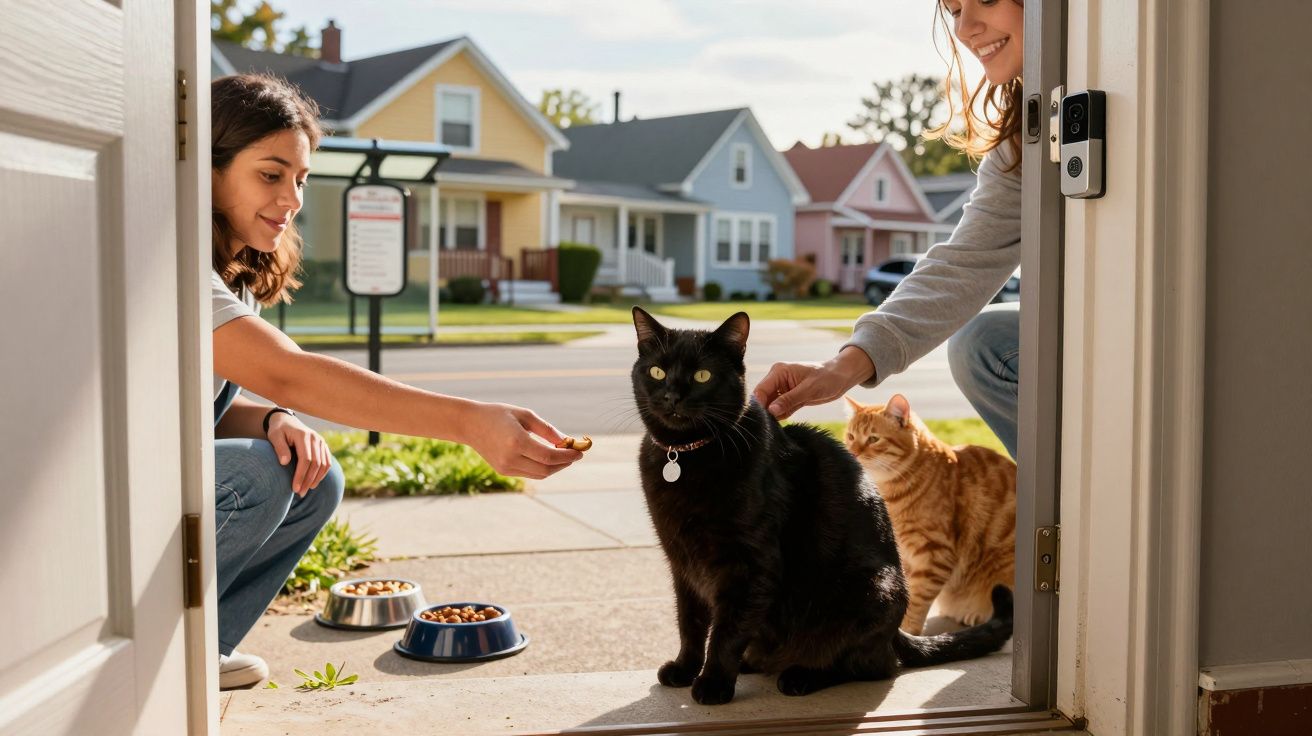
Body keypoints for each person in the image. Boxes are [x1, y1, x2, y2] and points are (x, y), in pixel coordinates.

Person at [209, 74, 582, 690]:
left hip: (155, 475)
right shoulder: (173, 263)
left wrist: (273, 419)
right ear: (209, 168)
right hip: (96, 499)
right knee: (258, 475)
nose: (293, 198)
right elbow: (289, 373)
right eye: (270, 175)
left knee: (313, 475)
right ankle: (152, 649)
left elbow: (187, 411)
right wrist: (467, 423)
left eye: (300, 179)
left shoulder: (235, 275)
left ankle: (204, 647)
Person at [753, 0, 1025, 459]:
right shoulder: (1026, 140)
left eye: (987, 0)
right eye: (955, 10)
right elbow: (961, 265)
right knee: (982, 345)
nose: (966, 28)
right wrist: (841, 368)